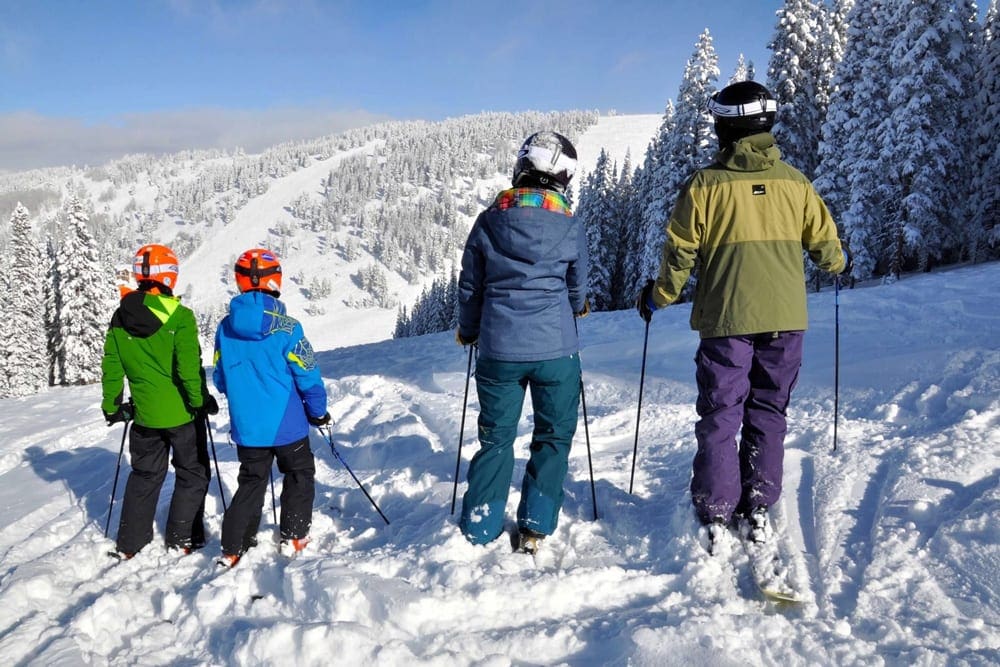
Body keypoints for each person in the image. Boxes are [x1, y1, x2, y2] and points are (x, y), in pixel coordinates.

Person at [635, 81, 849, 549]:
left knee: (721, 412)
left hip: (726, 322)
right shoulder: (795, 182)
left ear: (724, 127)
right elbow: (828, 248)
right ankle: (759, 503)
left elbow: (679, 256)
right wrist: (835, 262)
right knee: (769, 409)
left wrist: (658, 297)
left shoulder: (705, 185)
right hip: (785, 319)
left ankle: (715, 506)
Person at [456, 131, 590, 554]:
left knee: (496, 438)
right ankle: (535, 523)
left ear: (521, 169)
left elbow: (470, 287)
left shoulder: (489, 221)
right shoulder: (569, 224)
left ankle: (481, 525)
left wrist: (469, 329)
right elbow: (578, 287)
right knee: (553, 435)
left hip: (499, 348)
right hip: (556, 350)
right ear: (563, 177)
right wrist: (578, 306)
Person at [213, 248, 330, 567]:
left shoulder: (225, 328)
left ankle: (234, 546)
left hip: (247, 428)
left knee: (251, 481)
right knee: (299, 474)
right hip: (288, 424)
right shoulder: (288, 328)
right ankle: (294, 534)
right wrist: (318, 411)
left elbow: (220, 377)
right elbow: (308, 374)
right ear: (275, 280)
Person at [101, 243, 217, 558]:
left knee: (145, 475)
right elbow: (188, 369)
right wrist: (200, 401)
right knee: (192, 472)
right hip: (181, 415)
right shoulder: (180, 317)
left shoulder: (120, 317)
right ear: (169, 276)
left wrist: (113, 407)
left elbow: (113, 368)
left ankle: (130, 544)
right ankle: (182, 538)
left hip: (144, 418)